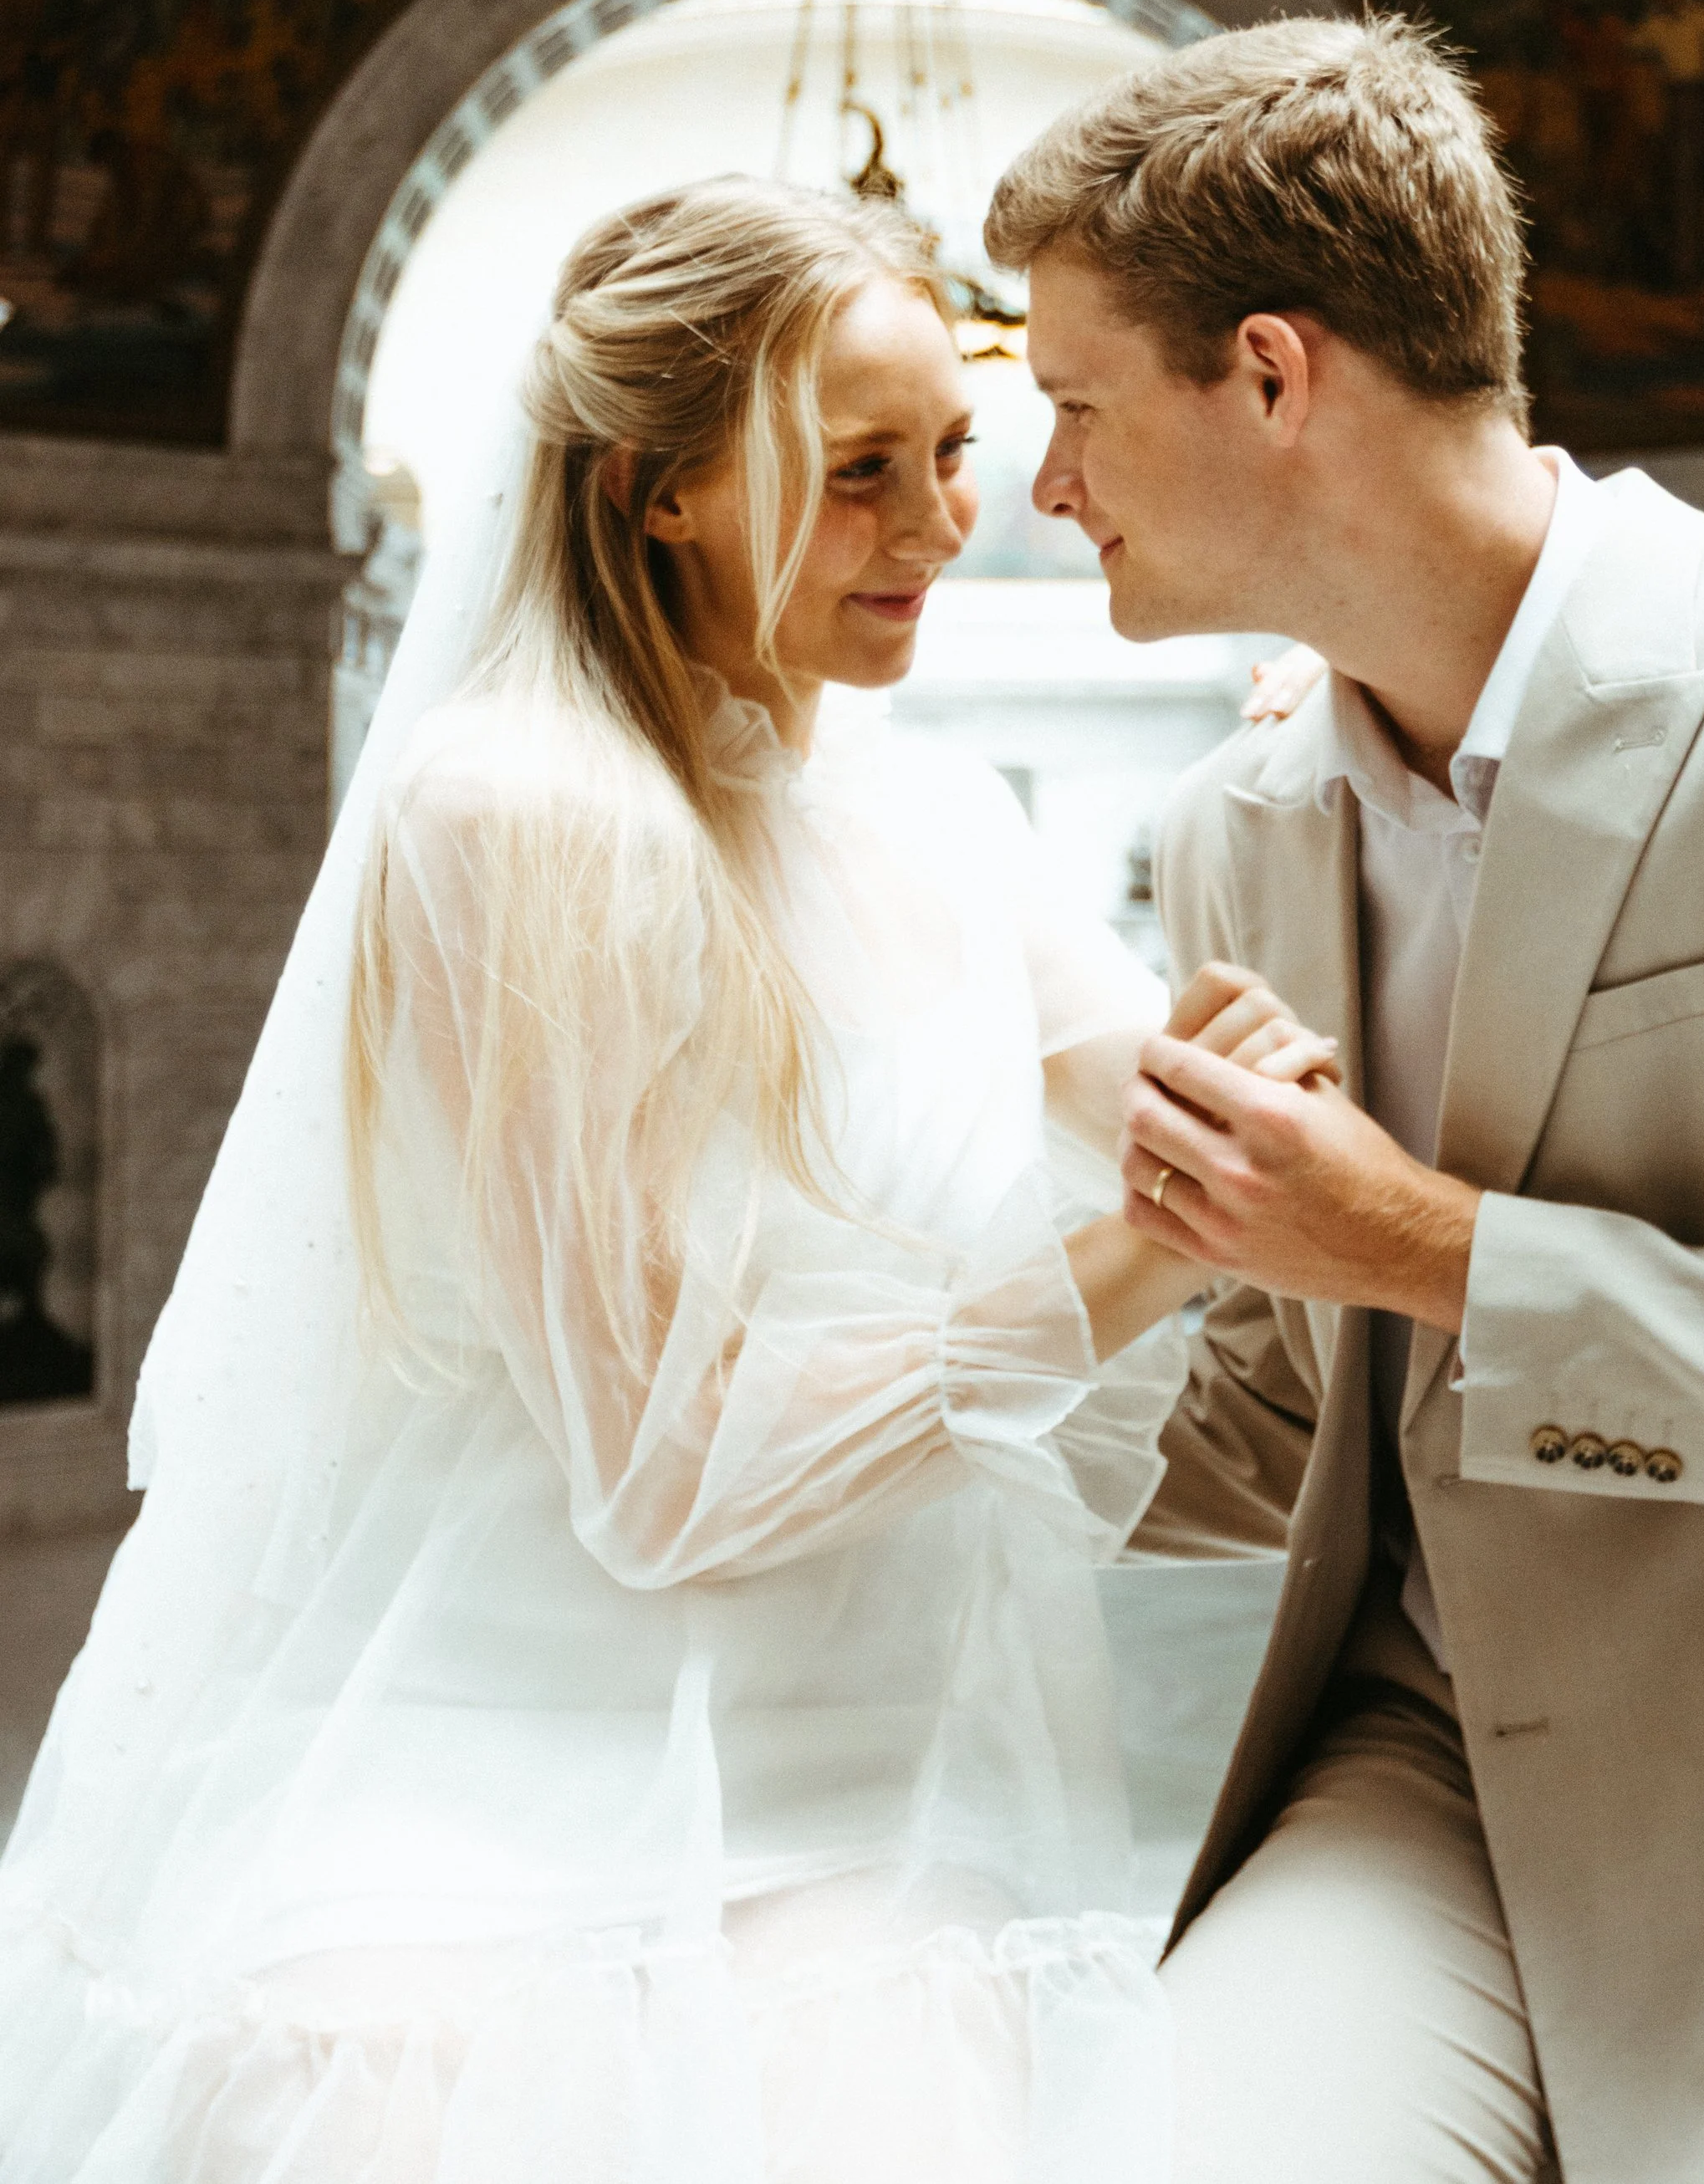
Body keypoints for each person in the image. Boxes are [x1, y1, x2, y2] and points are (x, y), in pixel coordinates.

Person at [0, 177, 1327, 2184]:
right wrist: (1145, 1248)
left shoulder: (925, 810)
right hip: (531, 1820)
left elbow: (1212, 1103)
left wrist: (1333, 789)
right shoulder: (523, 816)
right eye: (854, 471)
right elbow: (666, 1471)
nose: (939, 526)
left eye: (951, 452)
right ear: (658, 491)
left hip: (865, 1804)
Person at [982, 13, 1704, 2184]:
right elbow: (1314, 1429)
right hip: (1427, 1764)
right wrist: (866, 1431)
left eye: (1074, 404)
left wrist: (1418, 1238)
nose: (1044, 483)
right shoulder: (1240, 826)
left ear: (1273, 376)